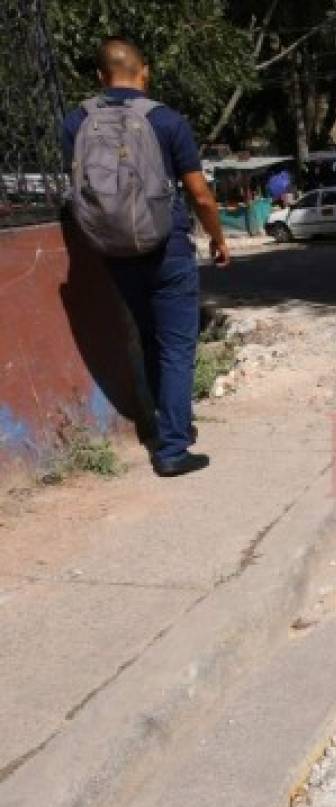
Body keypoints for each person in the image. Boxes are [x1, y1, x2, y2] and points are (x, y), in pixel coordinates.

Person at [62, 36, 230, 477]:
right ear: (146, 72)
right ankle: (173, 448)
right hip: (165, 246)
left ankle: (168, 427)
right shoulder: (166, 121)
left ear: (100, 77)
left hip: (112, 251)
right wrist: (218, 239)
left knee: (151, 336)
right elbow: (200, 195)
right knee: (177, 345)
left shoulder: (75, 122)